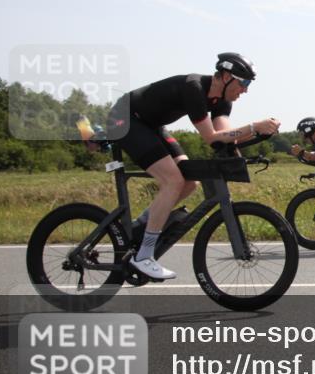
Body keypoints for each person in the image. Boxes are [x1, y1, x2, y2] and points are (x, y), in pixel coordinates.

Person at [108, 53, 280, 280]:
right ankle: (143, 256)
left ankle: (139, 227)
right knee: (173, 181)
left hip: (151, 125)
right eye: (244, 83)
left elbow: (224, 139)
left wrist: (248, 145)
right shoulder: (194, 88)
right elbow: (211, 137)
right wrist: (253, 125)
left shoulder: (223, 101)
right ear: (227, 76)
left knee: (189, 183)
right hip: (126, 119)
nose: (245, 90)